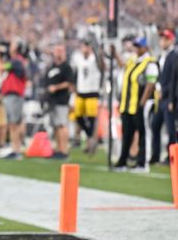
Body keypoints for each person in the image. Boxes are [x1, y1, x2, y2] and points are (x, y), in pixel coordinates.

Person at [113, 37, 158, 172]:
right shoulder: (133, 59)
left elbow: (151, 84)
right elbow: (123, 65)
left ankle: (142, 163)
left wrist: (142, 103)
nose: (137, 48)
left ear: (145, 47)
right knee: (127, 133)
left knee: (143, 134)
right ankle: (123, 161)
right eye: (136, 46)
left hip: (140, 104)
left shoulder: (150, 63)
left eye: (139, 46)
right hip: (127, 104)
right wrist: (114, 53)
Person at [71, 39, 104, 153]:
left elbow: (102, 67)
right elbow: (75, 73)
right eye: (84, 47)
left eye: (87, 47)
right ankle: (90, 137)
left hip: (92, 92)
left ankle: (91, 140)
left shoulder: (95, 58)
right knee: (78, 117)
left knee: (91, 119)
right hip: (80, 91)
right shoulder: (78, 58)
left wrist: (98, 54)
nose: (85, 49)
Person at [150, 28, 176, 165]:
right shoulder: (161, 56)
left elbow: (173, 79)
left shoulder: (174, 56)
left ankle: (171, 157)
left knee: (170, 129)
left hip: (168, 98)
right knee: (155, 125)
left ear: (171, 40)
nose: (162, 41)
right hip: (160, 98)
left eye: (165, 38)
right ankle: (155, 155)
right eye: (161, 38)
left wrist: (167, 95)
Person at [0, 40, 27, 160]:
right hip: (13, 95)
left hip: (14, 94)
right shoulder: (16, 61)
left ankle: (16, 150)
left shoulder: (16, 61)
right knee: (14, 122)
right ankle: (16, 148)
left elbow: (0, 68)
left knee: (14, 123)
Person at [44, 44, 73, 159]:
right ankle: (58, 149)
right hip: (52, 101)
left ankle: (64, 150)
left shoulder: (66, 67)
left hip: (62, 100)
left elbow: (69, 83)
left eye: (61, 51)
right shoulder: (51, 67)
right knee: (55, 126)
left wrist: (56, 87)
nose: (59, 53)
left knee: (62, 124)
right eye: (57, 51)